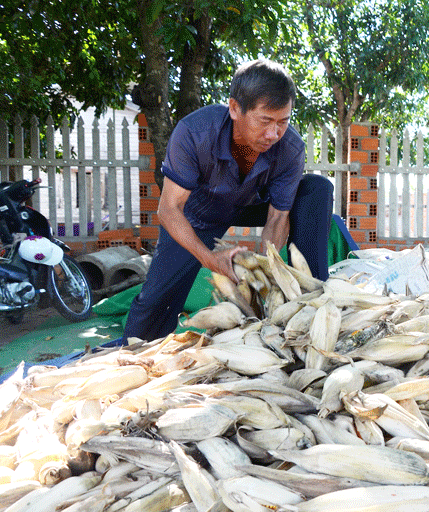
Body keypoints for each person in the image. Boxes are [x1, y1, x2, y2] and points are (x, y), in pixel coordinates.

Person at [123, 58, 334, 342]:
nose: (274, 134)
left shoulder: (290, 148)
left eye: (283, 122)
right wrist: (209, 258)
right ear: (235, 109)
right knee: (154, 307)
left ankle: (312, 302)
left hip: (252, 204)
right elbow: (169, 210)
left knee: (316, 189)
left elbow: (277, 217)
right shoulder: (194, 133)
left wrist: (267, 269)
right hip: (198, 214)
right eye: (265, 121)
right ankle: (134, 347)